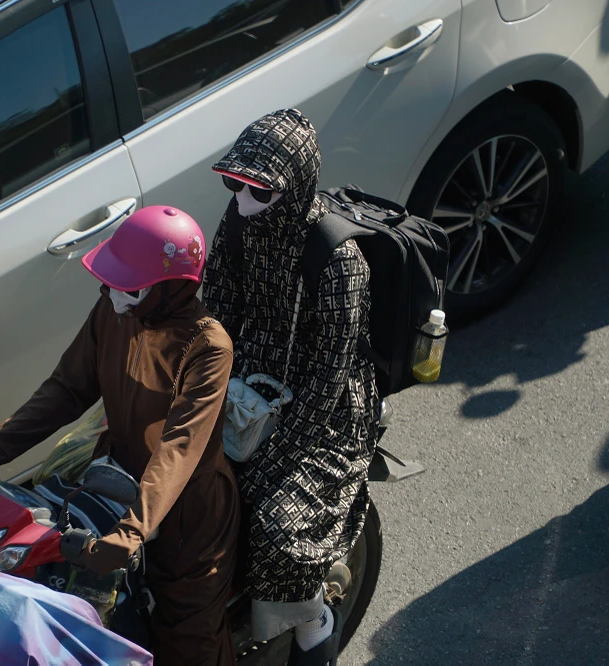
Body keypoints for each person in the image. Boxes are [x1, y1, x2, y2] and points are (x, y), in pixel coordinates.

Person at [0, 205, 240, 665]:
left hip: (188, 519)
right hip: (114, 485)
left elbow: (179, 448)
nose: (112, 294)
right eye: (110, 282)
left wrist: (132, 531)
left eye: (128, 286)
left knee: (188, 643)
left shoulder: (208, 346)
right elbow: (67, 388)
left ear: (172, 289)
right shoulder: (116, 310)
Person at [202, 108, 380, 666]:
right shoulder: (236, 225)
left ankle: (313, 628)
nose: (239, 197)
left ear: (294, 185)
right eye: (233, 183)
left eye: (256, 188)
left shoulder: (339, 264)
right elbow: (215, 315)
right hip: (245, 379)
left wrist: (271, 456)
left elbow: (327, 377)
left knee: (275, 524)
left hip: (321, 412)